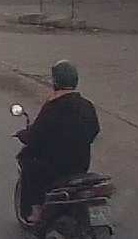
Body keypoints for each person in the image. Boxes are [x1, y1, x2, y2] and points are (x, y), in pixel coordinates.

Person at [16, 60, 101, 224]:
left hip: (55, 167)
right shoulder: (87, 105)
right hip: (81, 164)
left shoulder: (53, 106)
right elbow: (94, 130)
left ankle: (36, 210)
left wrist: (23, 135)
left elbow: (36, 135)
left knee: (28, 164)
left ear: (55, 81)